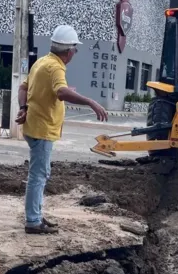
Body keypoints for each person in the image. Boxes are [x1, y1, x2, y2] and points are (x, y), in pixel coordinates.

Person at [15, 25, 108, 234]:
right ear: (69, 51)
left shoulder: (41, 62)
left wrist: (23, 107)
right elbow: (62, 92)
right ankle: (32, 221)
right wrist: (91, 102)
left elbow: (23, 88)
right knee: (38, 175)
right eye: (75, 50)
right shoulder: (55, 67)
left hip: (35, 126)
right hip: (42, 129)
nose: (74, 53)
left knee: (39, 174)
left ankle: (36, 214)